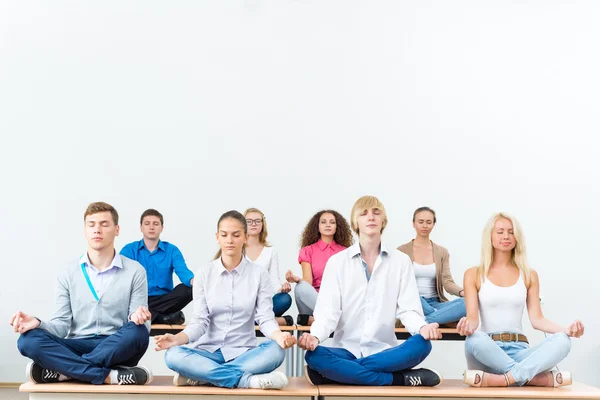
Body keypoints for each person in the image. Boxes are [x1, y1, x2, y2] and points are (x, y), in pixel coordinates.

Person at [298, 196, 443, 387]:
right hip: (346, 349)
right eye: (364, 213)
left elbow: (408, 310)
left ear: (383, 220)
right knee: (314, 355)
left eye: (376, 212)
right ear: (355, 222)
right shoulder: (337, 262)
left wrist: (422, 327)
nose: (371, 217)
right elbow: (328, 313)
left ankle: (340, 373)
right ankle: (397, 379)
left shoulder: (400, 261)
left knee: (422, 344)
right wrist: (314, 336)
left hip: (385, 351)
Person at [10, 202, 153, 385]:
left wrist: (138, 317)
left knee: (138, 331)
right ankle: (109, 376)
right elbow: (61, 326)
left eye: (104, 224)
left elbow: (137, 318)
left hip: (116, 345)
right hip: (77, 345)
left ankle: (65, 372)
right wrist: (38, 323)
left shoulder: (135, 271)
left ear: (116, 229)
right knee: (28, 340)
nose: (97, 230)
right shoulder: (68, 272)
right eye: (91, 224)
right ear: (85, 230)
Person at [155, 211, 297, 389]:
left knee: (275, 351)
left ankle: (204, 377)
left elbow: (265, 318)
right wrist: (177, 339)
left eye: (236, 235)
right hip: (207, 352)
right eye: (224, 235)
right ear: (217, 237)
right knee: (173, 355)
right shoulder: (203, 274)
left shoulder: (259, 275)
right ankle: (247, 381)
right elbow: (199, 321)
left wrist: (279, 335)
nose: (230, 240)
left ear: (245, 237)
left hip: (243, 353)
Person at [458, 212, 584, 387]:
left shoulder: (529, 275)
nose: (506, 236)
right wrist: (466, 327)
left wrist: (566, 330)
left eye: (511, 232)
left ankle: (506, 379)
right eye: (500, 231)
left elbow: (537, 319)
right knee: (474, 340)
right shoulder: (473, 274)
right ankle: (532, 378)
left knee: (562, 340)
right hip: (489, 352)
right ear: (490, 236)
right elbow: (473, 318)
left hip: (520, 350)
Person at [121, 209, 193, 325]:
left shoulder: (171, 250)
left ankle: (154, 316)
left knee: (189, 289)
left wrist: (194, 281)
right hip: (139, 300)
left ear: (161, 228)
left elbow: (183, 271)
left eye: (155, 224)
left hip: (165, 300)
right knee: (123, 298)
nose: (151, 227)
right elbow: (119, 275)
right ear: (141, 227)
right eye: (147, 223)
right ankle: (163, 318)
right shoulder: (129, 250)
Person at [397, 207, 465, 326]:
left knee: (467, 303)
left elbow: (447, 282)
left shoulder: (442, 252)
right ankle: (441, 317)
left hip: (435, 304)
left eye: (429, 222)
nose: (425, 226)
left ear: (433, 224)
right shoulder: (401, 251)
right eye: (421, 222)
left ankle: (426, 320)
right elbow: (398, 285)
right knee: (413, 297)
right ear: (414, 223)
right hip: (414, 301)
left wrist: (463, 292)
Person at [285, 210, 353, 326]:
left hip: (336, 301)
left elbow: (347, 283)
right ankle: (333, 319)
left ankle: (322, 319)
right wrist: (297, 279)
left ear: (337, 227)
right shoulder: (307, 251)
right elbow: (308, 281)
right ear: (317, 226)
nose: (328, 225)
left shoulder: (346, 252)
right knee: (300, 287)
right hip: (314, 302)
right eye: (323, 222)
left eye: (332, 222)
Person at [244, 208, 293, 326]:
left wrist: (281, 289)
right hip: (243, 302)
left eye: (257, 221)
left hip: (265, 303)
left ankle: (250, 321)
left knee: (285, 299)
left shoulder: (270, 251)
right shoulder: (236, 249)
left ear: (262, 224)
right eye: (249, 221)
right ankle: (279, 321)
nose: (253, 224)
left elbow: (273, 279)